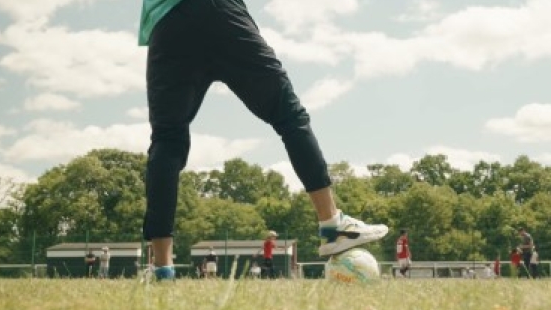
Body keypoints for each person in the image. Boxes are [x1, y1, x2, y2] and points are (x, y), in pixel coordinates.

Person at [137, 0, 389, 280]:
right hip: (221, 15)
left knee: (166, 140)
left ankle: (162, 268)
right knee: (289, 117)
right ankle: (332, 227)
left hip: (169, 23)